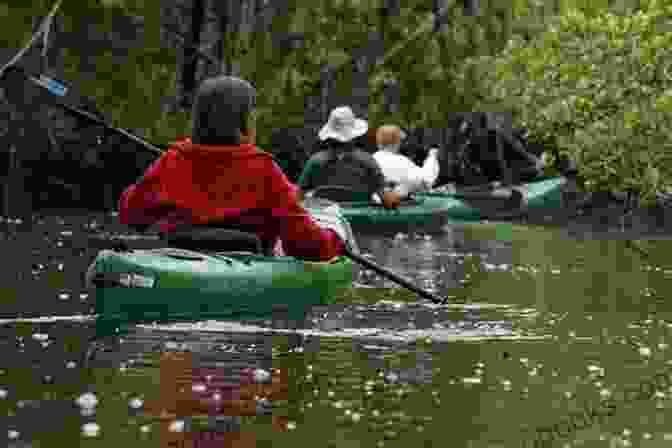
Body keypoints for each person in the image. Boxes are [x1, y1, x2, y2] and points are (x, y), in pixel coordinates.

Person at [118, 75, 344, 261]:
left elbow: (131, 215)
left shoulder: (171, 161)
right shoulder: (264, 169)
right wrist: (334, 240)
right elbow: (305, 244)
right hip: (246, 265)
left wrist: (140, 187)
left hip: (180, 259)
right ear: (243, 122)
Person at [297, 106, 401, 208]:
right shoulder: (367, 161)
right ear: (354, 135)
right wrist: (396, 192)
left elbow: (298, 197)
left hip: (326, 220)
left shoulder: (315, 161)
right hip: (362, 220)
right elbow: (388, 200)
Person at [373, 125, 440, 197]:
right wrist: (432, 157)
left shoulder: (373, 158)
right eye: (400, 140)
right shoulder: (400, 161)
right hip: (399, 205)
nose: (401, 143)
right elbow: (426, 180)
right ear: (396, 142)